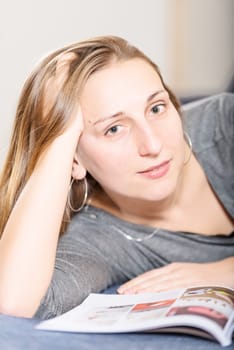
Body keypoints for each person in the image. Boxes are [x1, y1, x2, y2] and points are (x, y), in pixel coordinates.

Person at [0, 36, 233, 321]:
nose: (153, 145)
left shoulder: (225, 126)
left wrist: (224, 271)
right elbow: (12, 304)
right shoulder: (102, 237)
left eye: (157, 108)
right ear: (73, 159)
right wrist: (59, 138)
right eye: (114, 129)